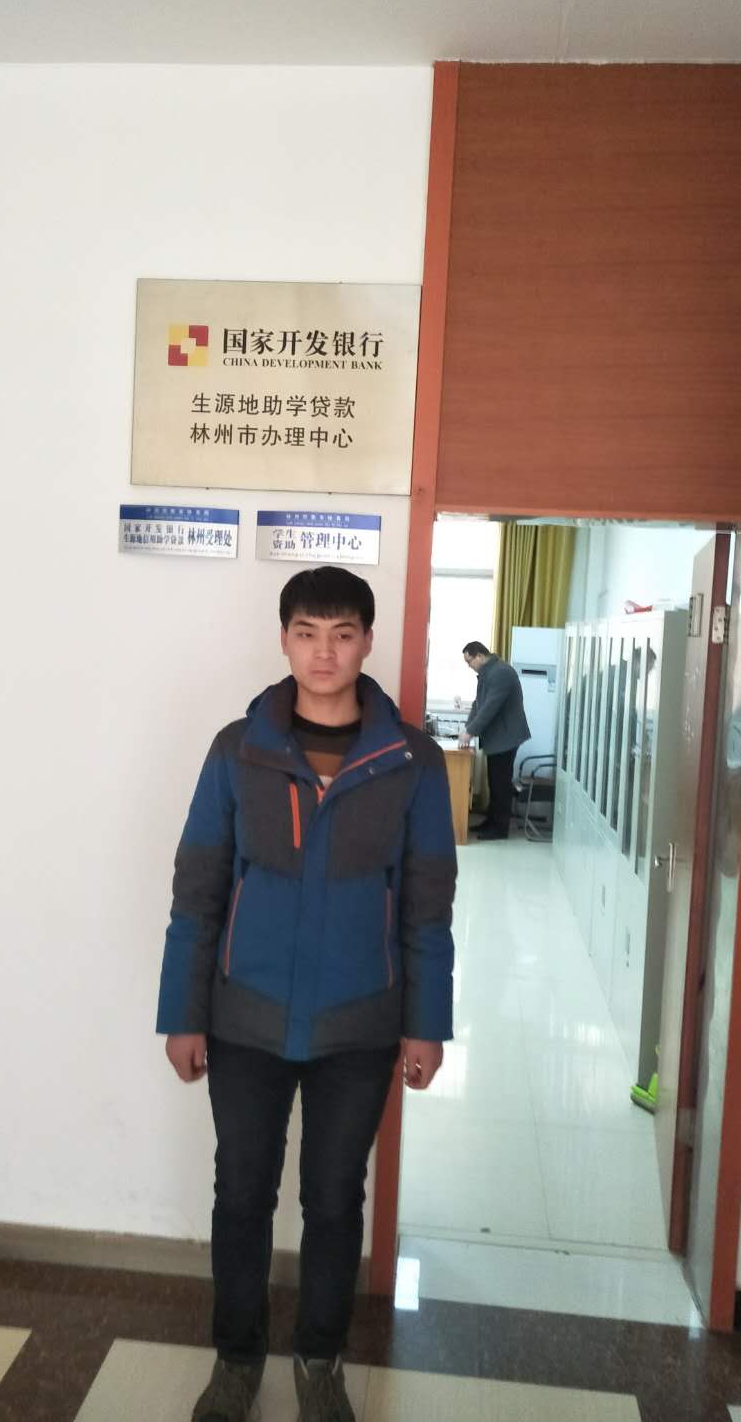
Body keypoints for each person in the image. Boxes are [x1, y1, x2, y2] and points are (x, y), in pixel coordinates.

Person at [158, 566, 457, 1422]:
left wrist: (426, 1025)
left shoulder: (411, 761)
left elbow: (428, 903)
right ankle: (236, 1358)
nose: (324, 652)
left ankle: (320, 1360)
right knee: (241, 1195)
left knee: (333, 1202)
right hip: (244, 1017)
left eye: (342, 635)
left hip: (359, 1024)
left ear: (367, 643)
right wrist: (182, 1014)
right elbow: (198, 889)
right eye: (306, 633)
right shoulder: (238, 749)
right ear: (284, 639)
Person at [459, 641, 531, 840]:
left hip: (506, 737)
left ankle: (500, 828)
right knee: (494, 781)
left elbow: (490, 707)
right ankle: (491, 821)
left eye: (469, 661)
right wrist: (468, 728)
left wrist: (470, 732)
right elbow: (478, 704)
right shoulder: (487, 673)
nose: (469, 666)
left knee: (500, 783)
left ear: (480, 656)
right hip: (498, 738)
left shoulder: (501, 672)